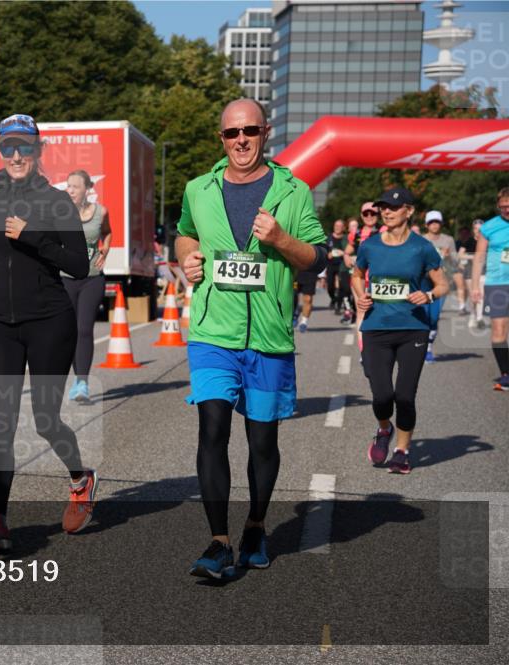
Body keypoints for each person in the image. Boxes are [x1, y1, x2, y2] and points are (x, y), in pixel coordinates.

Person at [176, 99, 327, 579]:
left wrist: (281, 239)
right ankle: (218, 542)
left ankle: (256, 525)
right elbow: (183, 234)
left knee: (262, 441)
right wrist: (188, 256)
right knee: (212, 428)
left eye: (249, 131)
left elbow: (316, 258)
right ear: (220, 138)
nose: (240, 140)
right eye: (230, 133)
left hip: (268, 336)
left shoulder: (294, 191)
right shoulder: (199, 189)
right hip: (211, 331)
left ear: (266, 132)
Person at [0, 113, 97, 551]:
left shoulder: (57, 202)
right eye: (8, 148)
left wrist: (33, 235)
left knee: (44, 419)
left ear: (38, 152)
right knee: (0, 424)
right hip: (2, 322)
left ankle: (80, 477)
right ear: (0, 153)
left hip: (49, 322)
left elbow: (78, 264)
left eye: (24, 147)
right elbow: (3, 258)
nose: (16, 155)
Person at [352, 187, 448, 474]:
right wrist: (360, 295)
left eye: (393, 207)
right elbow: (357, 276)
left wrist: (429, 296)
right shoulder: (370, 246)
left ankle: (402, 450)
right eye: (383, 207)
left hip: (412, 329)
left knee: (405, 395)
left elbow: (442, 284)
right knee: (382, 396)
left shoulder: (421, 247)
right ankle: (384, 429)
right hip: (376, 329)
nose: (386, 211)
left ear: (409, 211)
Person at [62, 169, 112, 404]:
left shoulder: (101, 212)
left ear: (87, 189)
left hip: (92, 278)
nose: (69, 190)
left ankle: (81, 382)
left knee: (84, 329)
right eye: (68, 186)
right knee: (69, 331)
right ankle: (74, 378)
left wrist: (105, 249)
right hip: (65, 279)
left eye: (74, 186)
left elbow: (108, 233)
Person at [471, 187, 509, 391]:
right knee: (499, 329)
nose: (507, 211)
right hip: (498, 283)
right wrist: (475, 286)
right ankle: (506, 373)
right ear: (498, 206)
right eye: (503, 208)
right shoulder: (490, 227)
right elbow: (478, 258)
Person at [422, 210, 456, 363]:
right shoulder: (420, 240)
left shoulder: (448, 240)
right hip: (423, 283)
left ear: (441, 224)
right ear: (426, 224)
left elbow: (455, 262)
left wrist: (449, 256)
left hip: (441, 284)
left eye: (437, 222)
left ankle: (428, 348)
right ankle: (420, 348)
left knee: (434, 317)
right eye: (431, 222)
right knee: (423, 315)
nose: (434, 225)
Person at [344, 202, 380, 345]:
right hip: (359, 278)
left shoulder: (385, 231)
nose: (369, 216)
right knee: (361, 310)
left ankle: (377, 345)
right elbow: (348, 251)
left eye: (373, 213)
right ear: (361, 216)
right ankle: (363, 348)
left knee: (378, 312)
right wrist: (346, 257)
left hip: (379, 279)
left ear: (378, 215)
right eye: (366, 213)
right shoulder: (356, 234)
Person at [326, 219, 350, 316]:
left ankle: (338, 306)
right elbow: (323, 250)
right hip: (331, 264)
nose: (337, 228)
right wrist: (328, 254)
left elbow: (350, 251)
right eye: (336, 225)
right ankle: (333, 299)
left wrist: (343, 253)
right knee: (330, 286)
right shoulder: (328, 238)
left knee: (341, 286)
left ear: (343, 228)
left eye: (340, 226)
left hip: (342, 265)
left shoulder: (346, 238)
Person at [454, 224, 476, 316]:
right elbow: (454, 256)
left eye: (466, 233)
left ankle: (464, 305)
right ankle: (461, 307)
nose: (464, 235)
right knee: (460, 287)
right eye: (462, 233)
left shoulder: (473, 242)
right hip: (457, 267)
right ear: (459, 234)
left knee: (466, 288)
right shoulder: (456, 243)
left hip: (469, 268)